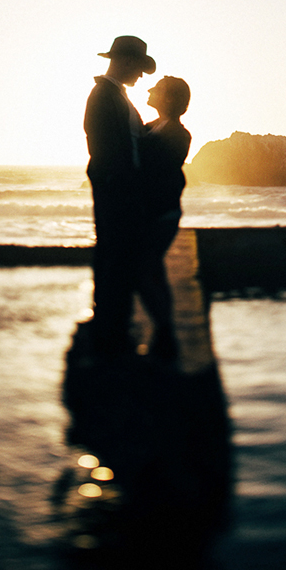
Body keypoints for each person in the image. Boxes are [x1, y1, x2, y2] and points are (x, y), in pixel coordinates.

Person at [84, 35, 156, 357]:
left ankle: (111, 324)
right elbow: (102, 146)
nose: (140, 76)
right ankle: (110, 327)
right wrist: (119, 182)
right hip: (116, 188)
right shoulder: (104, 95)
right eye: (139, 68)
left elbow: (130, 139)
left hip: (120, 188)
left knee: (116, 252)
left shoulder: (116, 96)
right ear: (125, 61)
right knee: (114, 252)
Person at [138, 76, 191, 362]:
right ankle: (163, 331)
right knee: (151, 269)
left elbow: (156, 170)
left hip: (162, 213)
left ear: (169, 99)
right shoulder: (151, 127)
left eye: (156, 88)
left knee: (146, 268)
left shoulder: (177, 134)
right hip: (154, 211)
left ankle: (165, 332)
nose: (149, 90)